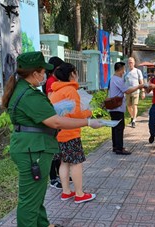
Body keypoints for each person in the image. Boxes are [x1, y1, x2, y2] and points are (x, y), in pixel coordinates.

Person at [1, 51, 102, 227]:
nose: (45, 75)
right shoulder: (29, 94)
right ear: (34, 73)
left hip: (32, 148)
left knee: (36, 194)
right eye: (42, 71)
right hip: (33, 151)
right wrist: (88, 121)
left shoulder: (24, 89)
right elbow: (54, 121)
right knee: (29, 201)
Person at [49, 63, 96, 204]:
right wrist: (89, 112)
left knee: (64, 162)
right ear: (71, 74)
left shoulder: (55, 91)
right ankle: (80, 194)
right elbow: (76, 115)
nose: (77, 75)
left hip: (58, 133)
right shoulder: (70, 90)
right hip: (71, 133)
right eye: (75, 72)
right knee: (76, 164)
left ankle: (66, 192)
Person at [109, 62, 144, 155]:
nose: (124, 71)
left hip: (113, 107)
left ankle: (115, 146)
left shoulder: (112, 78)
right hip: (117, 107)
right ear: (120, 69)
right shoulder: (118, 80)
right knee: (119, 128)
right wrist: (139, 86)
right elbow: (127, 91)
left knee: (114, 127)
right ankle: (119, 149)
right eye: (123, 69)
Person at [42, 56, 65, 190]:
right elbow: (52, 100)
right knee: (54, 151)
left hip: (56, 117)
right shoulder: (51, 81)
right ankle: (53, 178)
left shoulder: (54, 80)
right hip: (53, 117)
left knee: (58, 150)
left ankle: (59, 174)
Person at [124, 57, 145, 128]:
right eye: (129, 62)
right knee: (128, 106)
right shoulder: (126, 72)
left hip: (136, 91)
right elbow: (123, 82)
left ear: (134, 63)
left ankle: (134, 120)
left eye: (131, 62)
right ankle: (132, 116)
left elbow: (141, 82)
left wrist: (143, 91)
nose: (130, 64)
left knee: (134, 105)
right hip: (128, 91)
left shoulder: (138, 71)